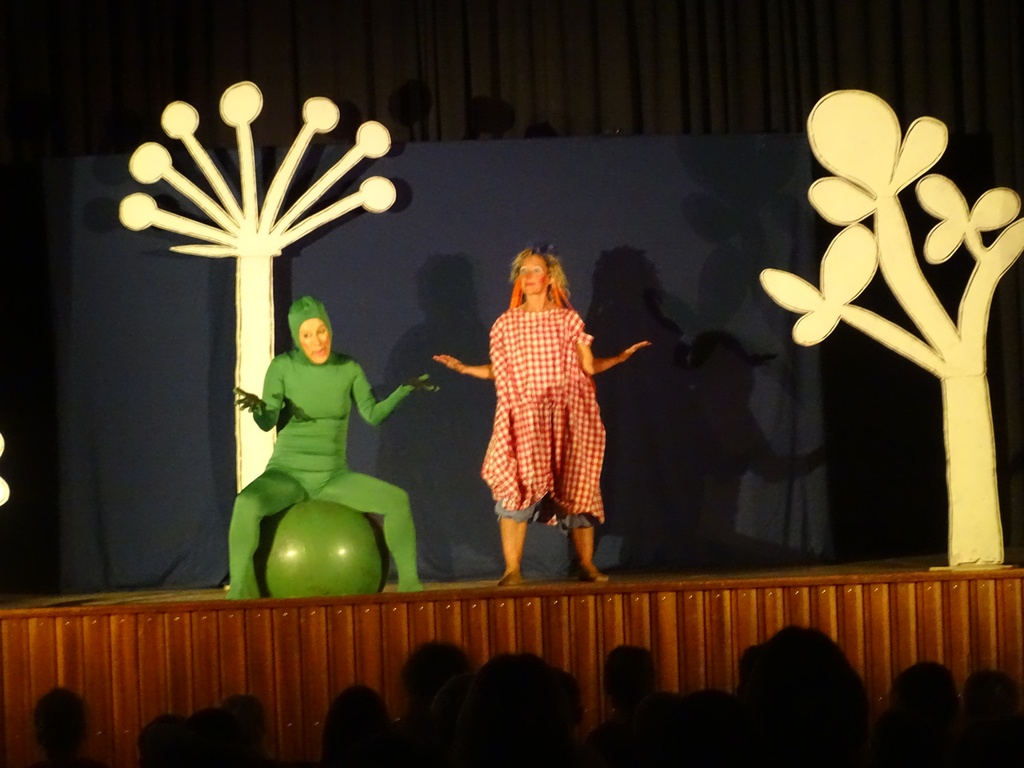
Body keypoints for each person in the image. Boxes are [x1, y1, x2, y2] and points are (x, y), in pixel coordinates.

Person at [434, 246, 648, 585]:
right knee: (515, 486)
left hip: (566, 415)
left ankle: (587, 565)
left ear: (549, 278)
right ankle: (512, 569)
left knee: (577, 487)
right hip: (525, 417)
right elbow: (499, 370)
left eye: (535, 270)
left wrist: (619, 358)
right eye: (523, 271)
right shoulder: (506, 324)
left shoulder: (567, 320)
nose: (528, 276)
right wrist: (463, 369)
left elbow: (588, 366)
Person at [229, 295, 434, 598]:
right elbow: (267, 421)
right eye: (307, 335)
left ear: (329, 329)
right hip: (287, 475)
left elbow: (373, 415)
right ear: (297, 338)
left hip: (332, 477)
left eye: (321, 331)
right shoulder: (282, 367)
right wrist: (259, 409)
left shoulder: (348, 368)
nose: (317, 342)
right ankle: (241, 590)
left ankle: (410, 587)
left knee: (397, 501)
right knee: (246, 504)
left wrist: (402, 392)